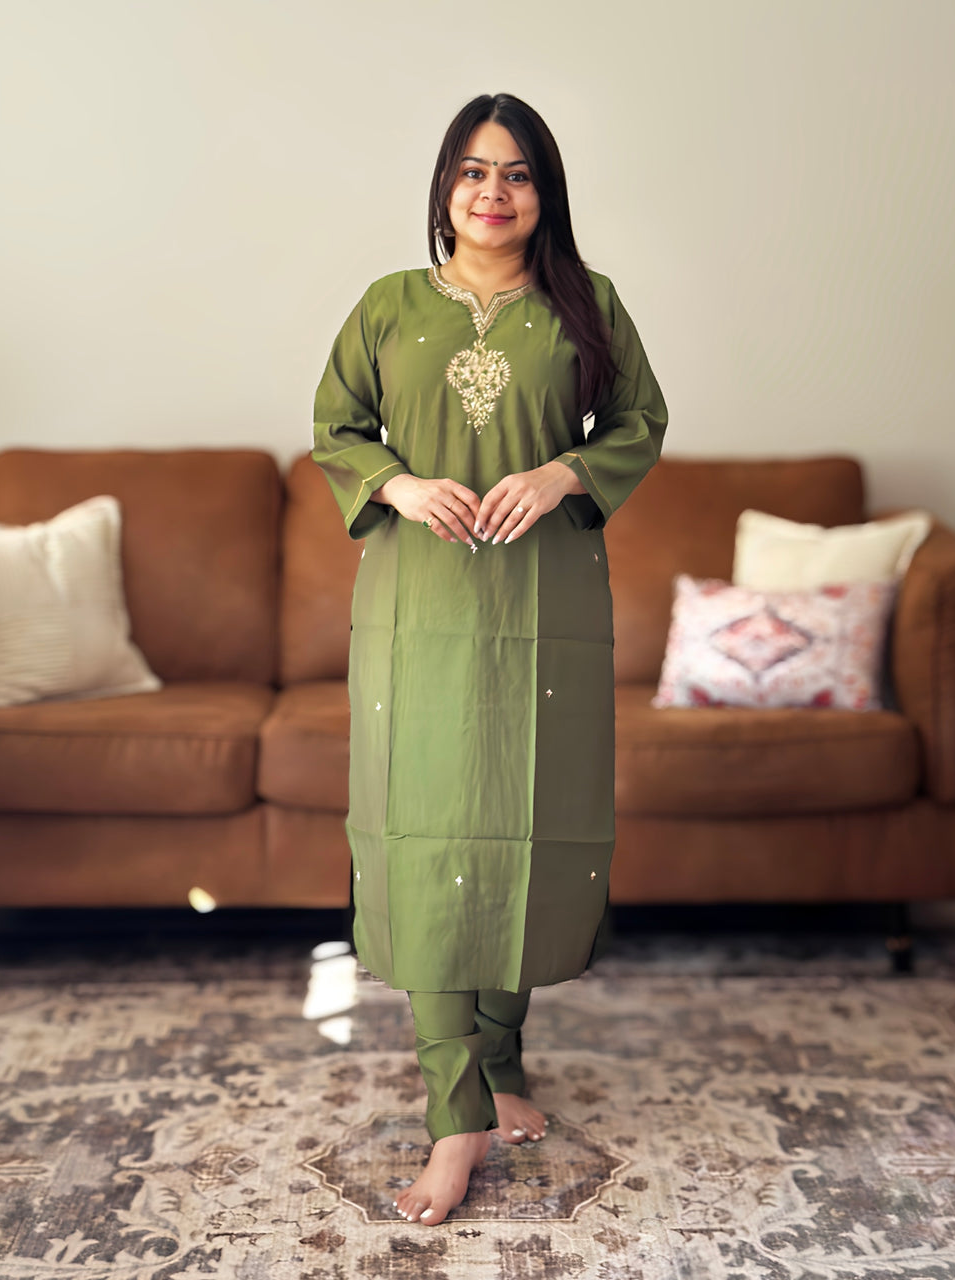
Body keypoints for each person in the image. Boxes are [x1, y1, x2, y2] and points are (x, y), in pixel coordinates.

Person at [312, 92, 667, 1226]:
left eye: (515, 174)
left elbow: (638, 421)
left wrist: (561, 474)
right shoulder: (389, 307)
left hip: (543, 602)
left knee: (522, 813)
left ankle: (504, 1059)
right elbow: (336, 428)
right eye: (472, 171)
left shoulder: (584, 305)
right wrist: (399, 484)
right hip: (418, 606)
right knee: (423, 832)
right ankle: (453, 1110)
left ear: (543, 193)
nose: (492, 192)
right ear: (444, 189)